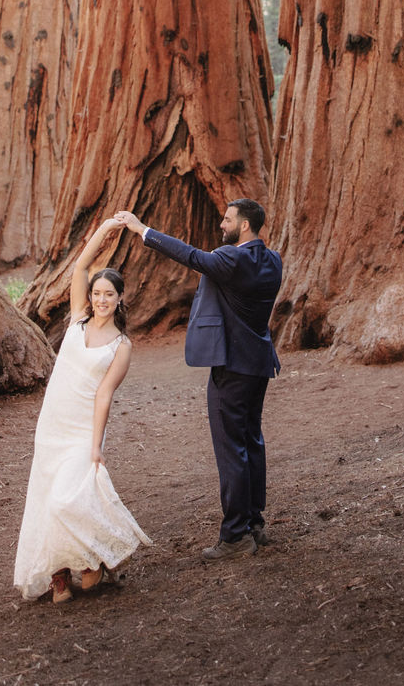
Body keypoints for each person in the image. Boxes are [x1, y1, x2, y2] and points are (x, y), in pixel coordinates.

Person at [115, 199, 281, 560]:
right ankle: (254, 523)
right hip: (258, 364)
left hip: (232, 369)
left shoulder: (232, 259)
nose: (222, 224)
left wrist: (141, 229)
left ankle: (236, 535)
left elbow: (191, 256)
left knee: (231, 449)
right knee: (251, 441)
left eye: (228, 219)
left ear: (246, 226)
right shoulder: (272, 260)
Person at [13, 218, 150, 603]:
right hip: (53, 423)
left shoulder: (120, 346)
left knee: (67, 499)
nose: (102, 299)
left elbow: (104, 395)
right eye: (97, 293)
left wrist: (96, 446)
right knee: (45, 497)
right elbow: (79, 267)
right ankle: (59, 576)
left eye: (109, 294)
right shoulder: (77, 320)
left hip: (82, 429)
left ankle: (92, 558)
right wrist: (106, 227)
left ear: (120, 298)